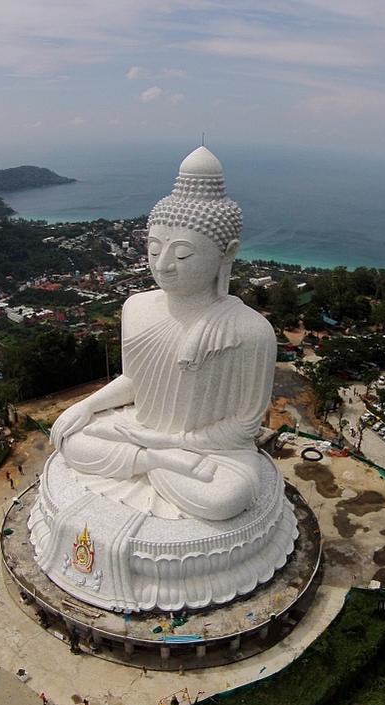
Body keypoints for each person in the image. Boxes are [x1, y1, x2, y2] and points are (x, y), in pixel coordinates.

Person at [50, 148, 273, 522]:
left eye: (182, 255)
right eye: (154, 250)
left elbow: (246, 426)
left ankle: (148, 459)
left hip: (210, 450)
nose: (163, 265)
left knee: (223, 498)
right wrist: (87, 405)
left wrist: (175, 441)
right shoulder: (136, 307)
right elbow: (133, 382)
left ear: (227, 253)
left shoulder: (250, 331)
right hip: (143, 432)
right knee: (71, 440)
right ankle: (153, 461)